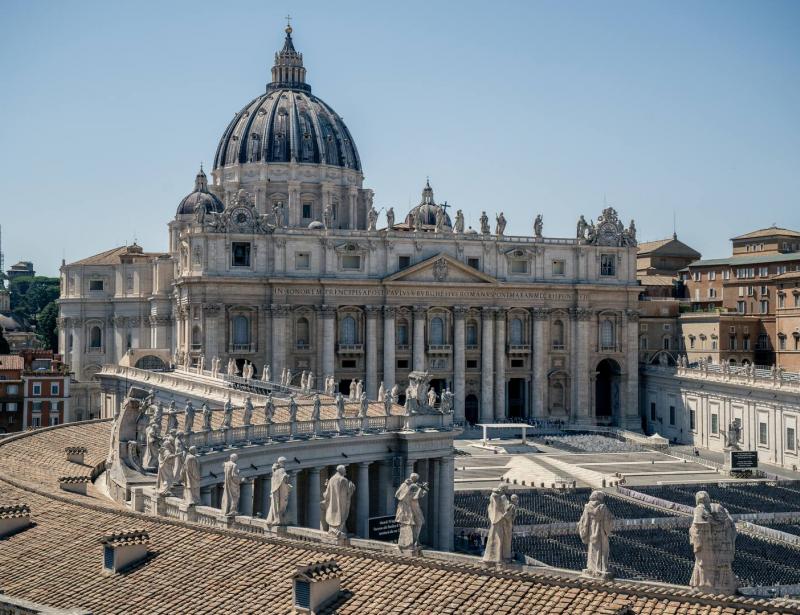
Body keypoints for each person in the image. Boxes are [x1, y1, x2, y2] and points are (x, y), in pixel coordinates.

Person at [577, 490, 614, 578]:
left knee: (592, 549)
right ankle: (601, 567)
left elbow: (584, 522)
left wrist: (584, 532)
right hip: (600, 531)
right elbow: (607, 521)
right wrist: (608, 530)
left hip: (591, 531)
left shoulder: (587, 507)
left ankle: (591, 567)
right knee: (602, 550)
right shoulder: (603, 507)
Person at [483, 485, 517, 564]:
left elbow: (490, 508)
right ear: (504, 489)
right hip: (501, 521)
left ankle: (491, 557)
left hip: (495, 521)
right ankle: (499, 557)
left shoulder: (492, 496)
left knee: (493, 538)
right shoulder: (502, 497)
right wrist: (513, 505)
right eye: (506, 489)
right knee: (500, 540)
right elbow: (506, 508)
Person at [395, 472, 427, 551]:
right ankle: (409, 543)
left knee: (418, 523)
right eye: (416, 479)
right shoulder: (408, 485)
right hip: (407, 508)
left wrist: (422, 489)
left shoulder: (411, 485)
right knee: (410, 525)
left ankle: (414, 541)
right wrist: (421, 489)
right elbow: (414, 497)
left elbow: (416, 496)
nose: (416, 481)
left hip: (413, 507)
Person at [322, 465, 356, 536]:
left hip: (332, 506)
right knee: (340, 518)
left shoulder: (331, 479)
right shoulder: (343, 480)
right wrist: (352, 488)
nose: (345, 471)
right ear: (341, 471)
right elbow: (346, 494)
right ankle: (338, 532)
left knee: (333, 518)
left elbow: (326, 494)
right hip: (341, 505)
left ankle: (333, 531)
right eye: (344, 470)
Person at [265, 457, 293, 526]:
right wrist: (287, 478)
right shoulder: (282, 470)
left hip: (275, 490)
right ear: (281, 462)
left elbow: (275, 480)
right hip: (279, 491)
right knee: (281, 505)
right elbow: (283, 482)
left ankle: (276, 518)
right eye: (283, 462)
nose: (284, 464)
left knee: (275, 505)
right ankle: (278, 519)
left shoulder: (276, 470)